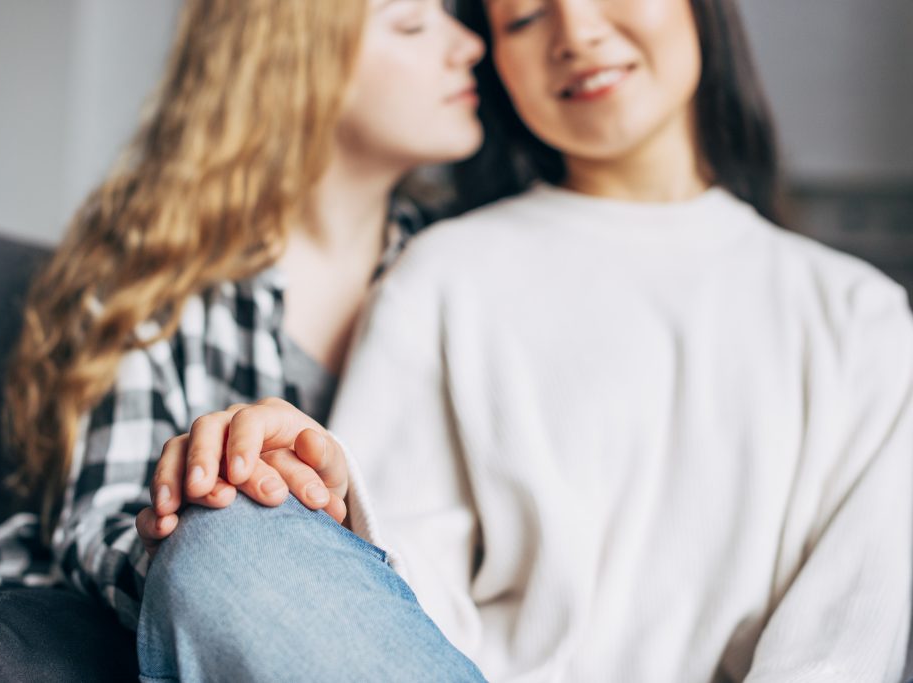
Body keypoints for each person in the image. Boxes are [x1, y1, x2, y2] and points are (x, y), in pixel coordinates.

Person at [141, 0, 913, 680]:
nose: (575, 31)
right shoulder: (441, 273)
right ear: (496, 63)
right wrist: (314, 488)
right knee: (228, 541)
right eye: (524, 17)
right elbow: (402, 597)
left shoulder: (864, 318)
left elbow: (848, 637)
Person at [0, 0, 489, 680]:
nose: (469, 44)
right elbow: (102, 516)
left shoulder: (459, 274)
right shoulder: (158, 256)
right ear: (299, 61)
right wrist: (232, 537)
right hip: (106, 601)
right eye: (412, 23)